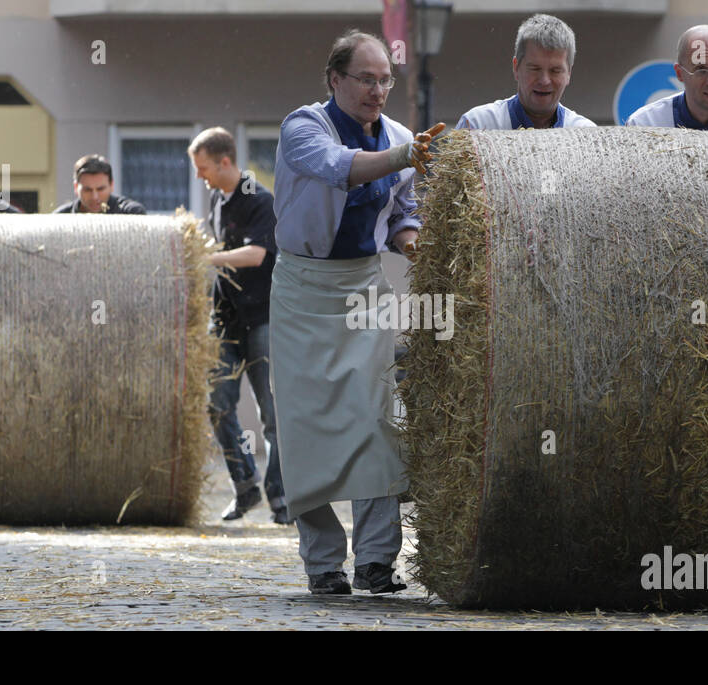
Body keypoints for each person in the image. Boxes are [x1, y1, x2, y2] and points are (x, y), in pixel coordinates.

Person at [272, 29, 440, 595]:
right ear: (334, 80)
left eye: (385, 79)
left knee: (377, 422)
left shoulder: (401, 137)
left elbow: (403, 213)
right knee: (303, 429)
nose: (378, 90)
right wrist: (403, 156)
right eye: (366, 79)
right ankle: (323, 565)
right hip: (301, 287)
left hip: (363, 285)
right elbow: (335, 166)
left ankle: (375, 561)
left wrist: (415, 245)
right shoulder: (303, 126)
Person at [188, 127, 289, 525]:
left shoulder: (259, 198)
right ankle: (246, 486)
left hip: (262, 319)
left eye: (204, 168)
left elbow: (256, 254)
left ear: (226, 161)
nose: (200, 176)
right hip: (225, 321)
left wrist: (203, 257)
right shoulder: (217, 197)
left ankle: (281, 499)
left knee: (273, 416)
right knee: (217, 403)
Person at [454, 14, 596, 130]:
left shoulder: (586, 134)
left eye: (555, 71)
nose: (544, 80)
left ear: (569, 74)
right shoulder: (476, 125)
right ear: (516, 67)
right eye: (535, 69)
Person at [52, 155, 146, 215]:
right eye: (87, 190)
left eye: (100, 189)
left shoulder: (131, 213)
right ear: (76, 187)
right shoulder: (60, 218)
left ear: (111, 185)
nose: (94, 197)